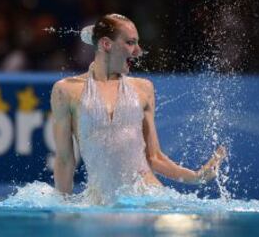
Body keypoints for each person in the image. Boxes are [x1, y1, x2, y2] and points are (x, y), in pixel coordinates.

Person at [50, 13, 227, 204]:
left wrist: (197, 177)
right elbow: (65, 160)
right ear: (106, 44)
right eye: (130, 43)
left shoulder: (143, 88)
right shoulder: (66, 91)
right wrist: (62, 207)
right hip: (100, 203)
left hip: (149, 197)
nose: (138, 51)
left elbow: (154, 157)